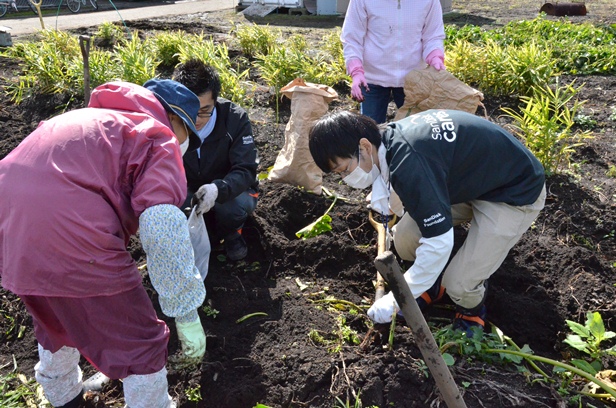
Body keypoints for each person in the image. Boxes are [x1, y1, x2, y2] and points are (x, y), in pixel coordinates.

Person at [0, 79, 208, 408]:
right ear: (175, 120)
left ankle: (66, 398)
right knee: (141, 342)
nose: (183, 145)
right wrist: (185, 311)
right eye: (187, 135)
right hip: (71, 234)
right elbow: (161, 225)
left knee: (55, 321)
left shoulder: (89, 120)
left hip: (11, 230)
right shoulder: (155, 135)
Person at [308, 109, 546, 335]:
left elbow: (438, 244)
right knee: (405, 239)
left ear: (363, 146)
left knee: (459, 284)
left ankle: (471, 309)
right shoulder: (386, 141)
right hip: (468, 181)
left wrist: (396, 298)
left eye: (343, 169)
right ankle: (430, 285)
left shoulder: (410, 161)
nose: (345, 177)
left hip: (512, 191)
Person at [173, 59, 259, 261]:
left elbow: (245, 169)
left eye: (205, 110)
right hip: (188, 188)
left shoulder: (234, 119)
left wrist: (217, 189)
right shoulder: (169, 121)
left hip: (228, 189)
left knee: (234, 205)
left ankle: (232, 233)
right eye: (190, 110)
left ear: (215, 100)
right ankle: (189, 238)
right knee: (172, 204)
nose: (197, 119)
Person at [341, 0, 446, 124]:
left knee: (414, 133)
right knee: (372, 135)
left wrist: (435, 57)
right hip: (373, 80)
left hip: (413, 79)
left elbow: (432, 36)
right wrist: (356, 71)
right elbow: (352, 39)